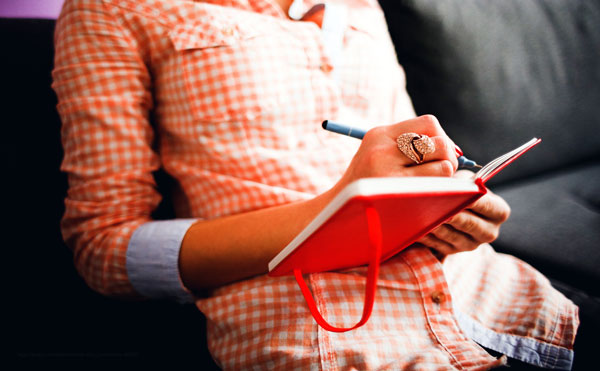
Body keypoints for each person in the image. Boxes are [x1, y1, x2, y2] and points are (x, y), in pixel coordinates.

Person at [52, 0, 578, 369]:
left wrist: (448, 204)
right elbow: (103, 249)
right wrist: (338, 208)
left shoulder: (360, 7)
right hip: (329, 332)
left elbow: (411, 153)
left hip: (499, 300)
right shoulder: (111, 8)